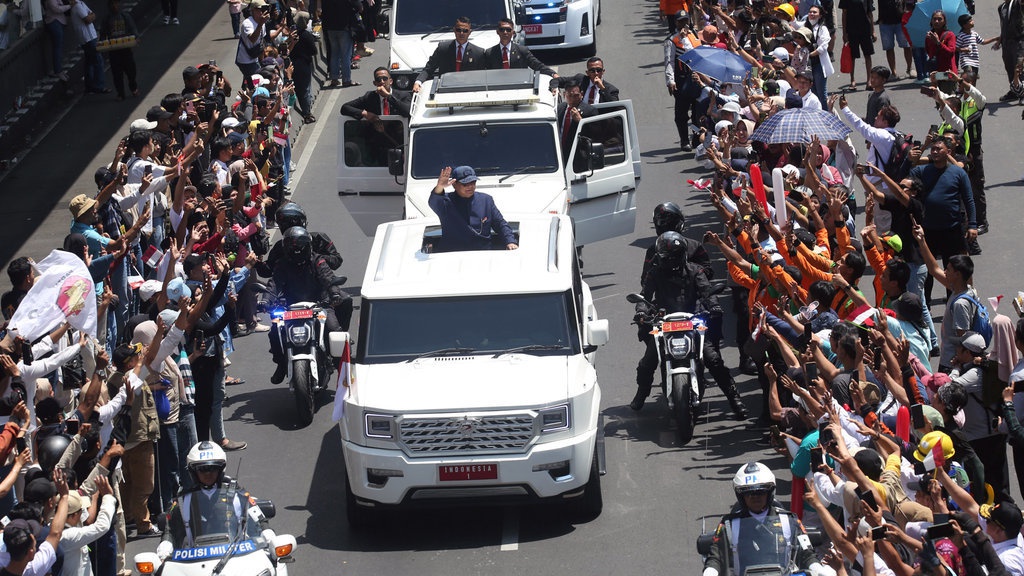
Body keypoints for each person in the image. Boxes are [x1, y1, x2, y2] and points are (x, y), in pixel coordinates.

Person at [633, 231, 748, 418]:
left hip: (694, 319)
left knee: (713, 359)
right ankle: (642, 393)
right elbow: (644, 295)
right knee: (648, 361)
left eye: (674, 257)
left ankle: (734, 398)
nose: (670, 261)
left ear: (682, 256)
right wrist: (641, 311)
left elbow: (707, 291)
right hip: (665, 321)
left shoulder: (695, 270)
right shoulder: (654, 273)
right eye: (666, 257)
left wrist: (714, 306)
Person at [702, 463, 822, 576]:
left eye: (760, 492)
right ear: (741, 496)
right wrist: (710, 571)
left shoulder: (790, 520)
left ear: (770, 492)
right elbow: (716, 555)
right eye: (749, 493)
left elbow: (806, 552)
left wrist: (817, 568)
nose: (755, 497)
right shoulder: (729, 524)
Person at [158, 442, 270, 558]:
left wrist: (269, 535)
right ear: (193, 471)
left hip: (237, 558)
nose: (208, 473)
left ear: (221, 469)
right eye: (203, 469)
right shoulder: (183, 501)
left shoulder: (239, 495)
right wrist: (165, 546)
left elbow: (260, 522)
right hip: (194, 563)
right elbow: (169, 530)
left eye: (213, 468)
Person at [270, 226, 353, 376]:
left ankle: (340, 365)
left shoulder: (317, 260)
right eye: (293, 246)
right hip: (291, 309)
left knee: (335, 330)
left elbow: (328, 277)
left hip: (320, 305)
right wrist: (265, 301)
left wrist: (334, 294)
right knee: (274, 333)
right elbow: (274, 284)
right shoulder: (281, 264)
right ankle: (281, 364)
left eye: (300, 246)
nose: (297, 250)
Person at [427, 166, 517, 252]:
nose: (470, 186)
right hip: (453, 255)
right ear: (454, 184)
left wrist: (510, 241)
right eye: (465, 184)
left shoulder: (486, 200)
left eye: (473, 182)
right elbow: (434, 201)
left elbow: (500, 223)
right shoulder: (445, 202)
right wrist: (440, 186)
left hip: (482, 253)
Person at [413, 17, 485, 92]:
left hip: (468, 91)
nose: (461, 33)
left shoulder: (478, 53)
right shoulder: (443, 49)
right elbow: (429, 68)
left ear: (469, 32)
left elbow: (482, 77)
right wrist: (418, 82)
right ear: (454, 30)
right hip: (445, 90)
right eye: (458, 30)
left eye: (465, 31)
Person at [664, 10, 701, 152]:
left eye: (686, 20)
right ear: (676, 22)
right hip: (681, 80)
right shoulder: (672, 40)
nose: (684, 23)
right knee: (681, 113)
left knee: (697, 113)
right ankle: (684, 140)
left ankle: (697, 138)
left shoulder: (695, 35)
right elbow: (669, 62)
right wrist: (670, 81)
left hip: (697, 78)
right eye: (681, 21)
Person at [484, 18, 556, 75]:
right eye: (502, 29)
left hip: (519, 87)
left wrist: (553, 74)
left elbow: (537, 65)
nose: (505, 32)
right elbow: (484, 73)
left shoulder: (522, 51)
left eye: (508, 30)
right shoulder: (490, 53)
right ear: (497, 32)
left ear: (513, 32)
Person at [100, 0, 138, 101]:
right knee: (117, 74)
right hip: (114, 51)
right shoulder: (107, 19)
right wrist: (102, 43)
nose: (114, 6)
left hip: (125, 49)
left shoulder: (125, 16)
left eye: (116, 3)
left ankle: (133, 87)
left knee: (131, 71)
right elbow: (103, 33)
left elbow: (132, 28)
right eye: (112, 4)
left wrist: (136, 37)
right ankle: (120, 93)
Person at [321, 0, 362, 88]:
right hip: (344, 28)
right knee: (346, 55)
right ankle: (346, 80)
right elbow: (359, 6)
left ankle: (334, 78)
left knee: (334, 54)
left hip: (330, 28)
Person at [287, 11, 318, 124]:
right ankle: (307, 113)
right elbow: (314, 51)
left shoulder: (292, 34)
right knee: (305, 89)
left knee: (300, 89)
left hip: (293, 64)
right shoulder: (306, 35)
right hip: (303, 65)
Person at [70, 0, 107, 94]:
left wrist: (90, 16)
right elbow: (88, 19)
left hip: (88, 37)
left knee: (89, 62)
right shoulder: (77, 6)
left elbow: (92, 14)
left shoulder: (81, 3)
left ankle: (90, 86)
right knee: (98, 61)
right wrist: (90, 16)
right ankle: (99, 86)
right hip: (88, 38)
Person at [839, 0, 876, 90]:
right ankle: (852, 80)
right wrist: (844, 33)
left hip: (865, 29)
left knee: (868, 55)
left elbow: (870, 13)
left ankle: (869, 81)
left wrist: (873, 31)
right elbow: (844, 14)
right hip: (851, 30)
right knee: (852, 56)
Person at [555, 80, 596, 161]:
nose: (573, 99)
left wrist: (580, 121)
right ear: (564, 95)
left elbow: (594, 135)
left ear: (582, 94)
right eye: (570, 95)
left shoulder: (590, 111)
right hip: (558, 154)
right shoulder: (560, 108)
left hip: (577, 157)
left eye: (576, 95)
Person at [996, 0, 1024, 101]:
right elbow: (1003, 26)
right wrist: (1000, 40)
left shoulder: (1018, 4)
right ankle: (1014, 91)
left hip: (1019, 40)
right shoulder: (1001, 7)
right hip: (1006, 42)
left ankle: (1023, 93)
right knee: (1009, 66)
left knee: (1019, 65)